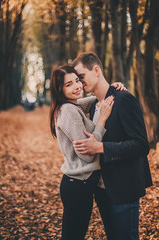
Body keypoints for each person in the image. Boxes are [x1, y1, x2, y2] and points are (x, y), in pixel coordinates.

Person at [72, 52, 153, 240]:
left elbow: (141, 145)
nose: (79, 83)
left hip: (124, 189)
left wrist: (100, 148)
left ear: (97, 70)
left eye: (81, 77)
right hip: (102, 191)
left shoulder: (124, 100)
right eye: (76, 80)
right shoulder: (92, 106)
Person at [50, 65, 125, 240]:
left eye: (77, 80)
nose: (77, 86)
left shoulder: (71, 105)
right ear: (59, 89)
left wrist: (110, 89)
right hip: (77, 185)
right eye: (69, 84)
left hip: (81, 183)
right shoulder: (68, 111)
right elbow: (87, 154)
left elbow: (91, 100)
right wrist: (103, 120)